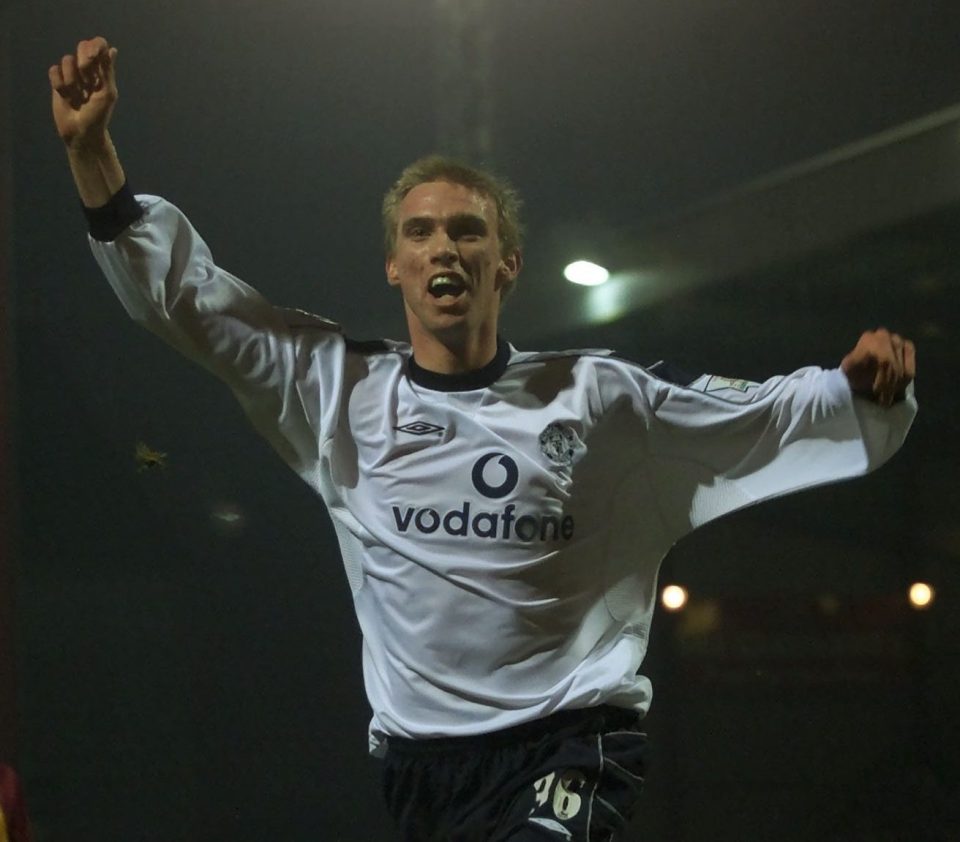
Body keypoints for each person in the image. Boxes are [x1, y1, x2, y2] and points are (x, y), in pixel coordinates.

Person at [49, 37, 917, 842]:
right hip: (422, 767)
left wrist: (852, 389)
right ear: (393, 265)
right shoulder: (337, 388)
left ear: (506, 264)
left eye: (469, 231)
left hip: (571, 743)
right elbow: (190, 302)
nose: (445, 248)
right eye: (420, 232)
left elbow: (747, 413)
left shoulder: (593, 395)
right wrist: (93, 154)